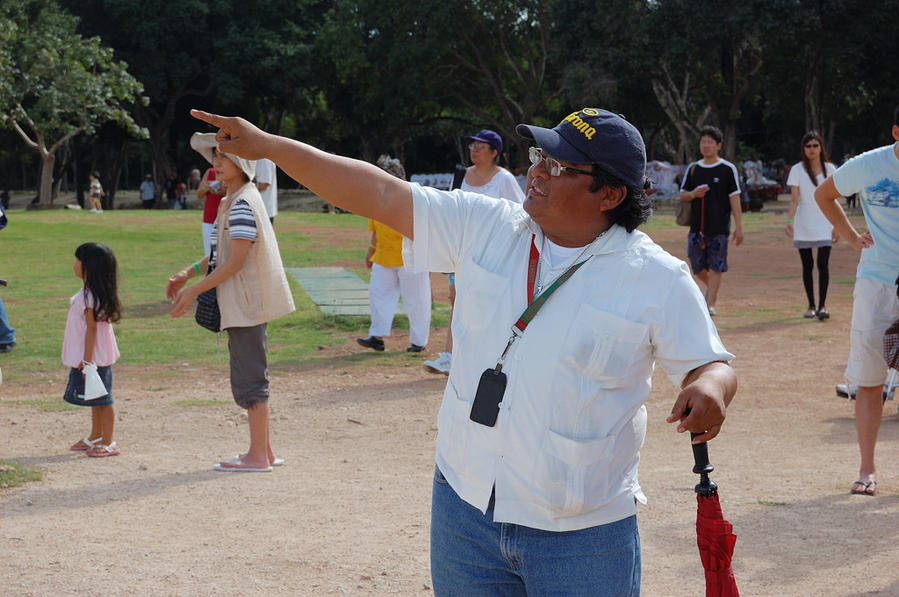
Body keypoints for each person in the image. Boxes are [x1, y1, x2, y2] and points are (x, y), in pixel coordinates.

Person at [190, 106, 737, 595]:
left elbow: (711, 363)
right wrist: (271, 147)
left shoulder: (656, 278)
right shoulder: (486, 225)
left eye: (559, 167)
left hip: (581, 530)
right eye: (538, 156)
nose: (537, 172)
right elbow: (379, 193)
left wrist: (709, 387)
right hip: (465, 508)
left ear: (611, 194)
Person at [168, 133, 295, 472]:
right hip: (244, 303)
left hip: (245, 304)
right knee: (252, 373)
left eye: (224, 157)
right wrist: (188, 272)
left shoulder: (240, 203)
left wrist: (193, 290)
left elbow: (234, 262)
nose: (216, 163)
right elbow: (218, 253)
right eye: (216, 157)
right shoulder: (236, 199)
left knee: (251, 379)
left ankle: (257, 456)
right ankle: (263, 451)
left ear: (243, 164)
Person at [814, 106, 899, 497]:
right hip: (877, 283)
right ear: (897, 132)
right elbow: (824, 194)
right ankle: (867, 469)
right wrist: (850, 238)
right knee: (868, 378)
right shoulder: (869, 165)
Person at [424, 129, 526, 375]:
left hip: (494, 252)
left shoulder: (503, 180)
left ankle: (485, 357)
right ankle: (450, 355)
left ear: (495, 153)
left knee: (488, 304)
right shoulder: (461, 175)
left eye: (481, 146)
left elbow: (521, 213)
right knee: (456, 299)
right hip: (462, 250)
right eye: (473, 145)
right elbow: (450, 210)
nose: (474, 150)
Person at [357, 155, 431, 353]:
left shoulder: (413, 197)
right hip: (382, 256)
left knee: (416, 300)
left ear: (400, 178)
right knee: (378, 296)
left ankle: (418, 342)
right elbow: (375, 230)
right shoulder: (376, 200)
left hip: (411, 258)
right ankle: (377, 337)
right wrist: (370, 252)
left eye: (389, 177)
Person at [63, 243, 122, 457]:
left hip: (94, 359)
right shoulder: (90, 293)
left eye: (78, 260)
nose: (74, 264)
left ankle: (108, 441)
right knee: (95, 399)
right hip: (94, 358)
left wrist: (87, 361)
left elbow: (92, 329)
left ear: (88, 267)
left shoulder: (89, 297)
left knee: (103, 400)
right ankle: (96, 435)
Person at [679, 125, 744, 315]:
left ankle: (710, 304)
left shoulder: (727, 169)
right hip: (696, 228)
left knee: (716, 266)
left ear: (718, 146)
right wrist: (693, 194)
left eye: (710, 142)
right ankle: (713, 289)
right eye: (703, 141)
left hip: (720, 228)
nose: (706, 145)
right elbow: (682, 195)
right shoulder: (694, 169)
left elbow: (735, 198)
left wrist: (739, 227)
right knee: (696, 266)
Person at [785, 132, 838, 320]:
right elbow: (794, 199)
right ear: (803, 149)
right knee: (807, 266)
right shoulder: (797, 170)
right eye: (808, 146)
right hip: (804, 223)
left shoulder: (830, 169)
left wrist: (837, 225)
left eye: (815, 145)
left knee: (823, 264)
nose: (812, 149)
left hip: (825, 221)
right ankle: (811, 305)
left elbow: (835, 199)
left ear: (821, 147)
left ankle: (823, 306)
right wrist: (790, 221)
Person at [192, 146, 226, 255]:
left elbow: (229, 191)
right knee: (209, 254)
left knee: (223, 254)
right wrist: (207, 187)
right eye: (215, 156)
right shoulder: (210, 172)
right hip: (209, 219)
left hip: (224, 218)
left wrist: (218, 191)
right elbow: (199, 194)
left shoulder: (230, 173)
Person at [255, 157, 278, 224]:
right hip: (260, 211)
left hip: (263, 211)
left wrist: (241, 192)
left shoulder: (263, 160)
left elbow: (263, 184)